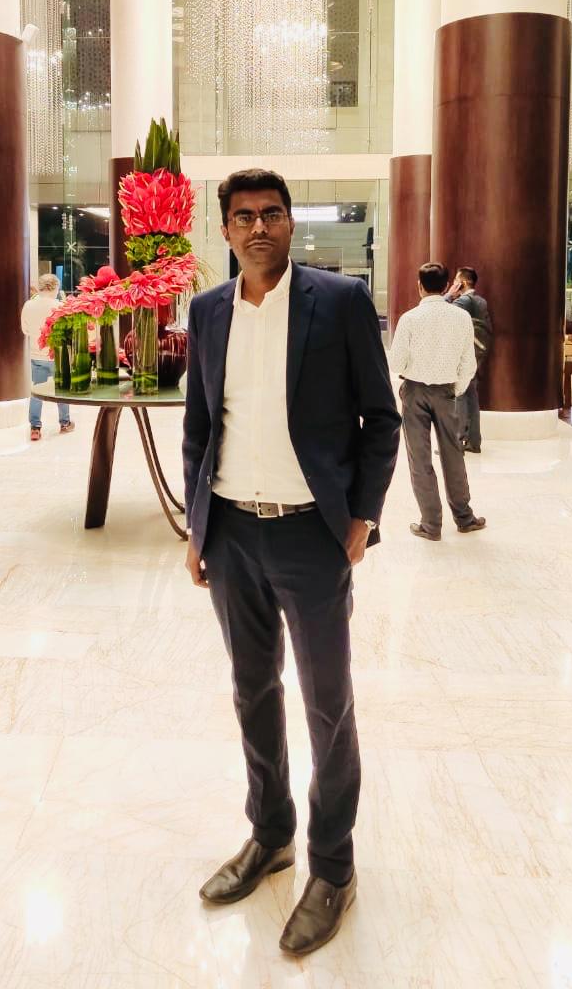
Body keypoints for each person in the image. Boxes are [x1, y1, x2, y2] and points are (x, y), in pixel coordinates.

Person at [182, 168, 400, 957]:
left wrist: (363, 516)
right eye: (243, 216)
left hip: (312, 534)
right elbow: (199, 426)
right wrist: (196, 526)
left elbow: (382, 419)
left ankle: (332, 867)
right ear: (225, 230)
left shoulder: (338, 303)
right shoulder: (208, 310)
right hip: (231, 532)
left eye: (272, 213)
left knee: (326, 703)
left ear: (290, 224)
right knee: (252, 689)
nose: (258, 226)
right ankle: (270, 834)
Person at [389, 262, 486, 541]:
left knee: (419, 458)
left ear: (419, 286)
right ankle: (464, 518)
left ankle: (431, 525)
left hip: (415, 392)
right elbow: (468, 363)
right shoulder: (461, 318)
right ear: (446, 286)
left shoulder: (409, 319)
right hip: (447, 392)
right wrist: (456, 389)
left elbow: (396, 363)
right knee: (453, 454)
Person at [20, 274, 73, 441]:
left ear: (40, 287)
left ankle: (35, 428)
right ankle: (64, 423)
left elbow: (25, 330)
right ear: (56, 287)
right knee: (61, 390)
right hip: (57, 355)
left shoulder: (28, 305)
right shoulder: (60, 306)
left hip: (36, 355)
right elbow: (68, 331)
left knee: (37, 392)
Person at [445, 266, 491, 453]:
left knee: (460, 394)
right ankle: (474, 440)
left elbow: (442, 313)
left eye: (456, 281)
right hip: (477, 354)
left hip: (462, 355)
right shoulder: (480, 301)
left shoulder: (463, 301)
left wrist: (449, 295)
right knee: (471, 395)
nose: (454, 284)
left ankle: (457, 440)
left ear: (462, 283)